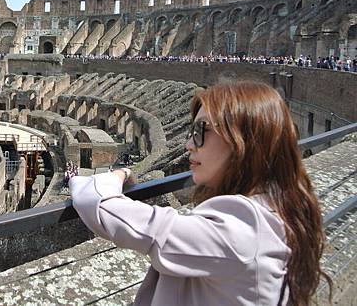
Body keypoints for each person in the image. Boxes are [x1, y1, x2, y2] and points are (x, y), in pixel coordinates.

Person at [69, 80, 330, 305]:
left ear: (243, 140)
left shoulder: (242, 228)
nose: (188, 145)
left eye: (200, 131)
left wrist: (120, 174)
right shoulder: (277, 206)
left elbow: (101, 204)